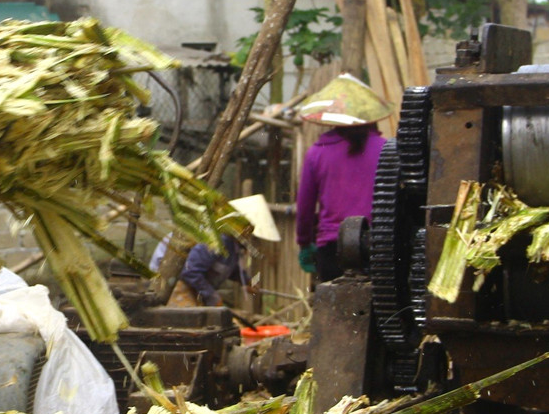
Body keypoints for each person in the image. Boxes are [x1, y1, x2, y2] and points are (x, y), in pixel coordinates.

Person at [295, 74, 390, 284]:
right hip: (378, 246)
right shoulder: (387, 149)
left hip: (332, 248)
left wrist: (304, 243)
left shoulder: (317, 153)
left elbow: (305, 206)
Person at [165, 195, 281, 307]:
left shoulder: (232, 244)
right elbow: (190, 272)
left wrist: (245, 281)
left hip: (194, 288)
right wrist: (212, 296)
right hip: (175, 285)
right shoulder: (217, 239)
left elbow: (228, 266)